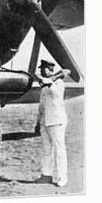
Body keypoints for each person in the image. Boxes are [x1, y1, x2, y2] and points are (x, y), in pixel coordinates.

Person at [34, 59, 71, 187]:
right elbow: (41, 106)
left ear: (50, 69)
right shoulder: (45, 86)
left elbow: (56, 94)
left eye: (43, 68)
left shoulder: (59, 83)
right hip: (45, 122)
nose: (41, 71)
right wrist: (38, 122)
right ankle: (46, 175)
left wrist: (49, 82)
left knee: (59, 150)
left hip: (56, 121)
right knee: (46, 150)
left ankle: (62, 177)